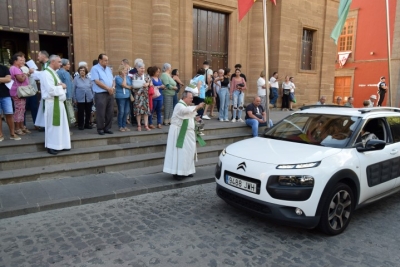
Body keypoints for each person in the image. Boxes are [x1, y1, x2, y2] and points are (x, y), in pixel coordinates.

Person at [163, 91, 205, 179]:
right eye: (190, 98)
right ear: (184, 98)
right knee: (180, 153)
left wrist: (194, 119)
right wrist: (198, 106)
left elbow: (187, 115)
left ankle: (187, 171)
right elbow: (184, 111)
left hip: (188, 133)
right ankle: (178, 173)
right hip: (179, 132)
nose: (192, 99)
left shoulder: (186, 105)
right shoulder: (179, 105)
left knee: (189, 152)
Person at [40, 55, 71, 155]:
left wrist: (62, 86)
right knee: (53, 126)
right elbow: (51, 90)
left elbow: (59, 85)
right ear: (52, 62)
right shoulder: (46, 73)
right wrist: (62, 86)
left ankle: (62, 144)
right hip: (52, 103)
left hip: (59, 103)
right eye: (59, 62)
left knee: (61, 125)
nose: (61, 64)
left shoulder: (54, 73)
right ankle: (51, 146)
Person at [91, 53, 115, 135]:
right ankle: (100, 128)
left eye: (107, 60)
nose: (107, 62)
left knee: (110, 111)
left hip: (110, 93)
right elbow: (97, 81)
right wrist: (108, 88)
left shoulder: (108, 69)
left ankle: (107, 128)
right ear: (100, 60)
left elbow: (112, 79)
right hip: (101, 93)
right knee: (101, 112)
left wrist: (112, 87)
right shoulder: (95, 68)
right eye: (105, 60)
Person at [9, 53, 29, 136]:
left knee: (22, 110)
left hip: (21, 92)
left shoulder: (17, 68)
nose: (22, 61)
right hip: (18, 92)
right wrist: (26, 74)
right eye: (20, 60)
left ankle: (21, 126)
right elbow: (20, 79)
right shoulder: (15, 68)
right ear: (15, 61)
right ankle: (17, 128)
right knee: (19, 110)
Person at [0, 63, 21, 141]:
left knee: (9, 114)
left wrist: (3, 79)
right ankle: (0, 135)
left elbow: (8, 79)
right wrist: (3, 79)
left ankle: (12, 134)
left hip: (6, 95)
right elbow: (5, 79)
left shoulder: (4, 68)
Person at [32, 50, 50, 131]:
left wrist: (34, 72)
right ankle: (44, 124)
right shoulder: (45, 65)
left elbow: (44, 75)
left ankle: (47, 125)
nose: (38, 57)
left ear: (43, 56)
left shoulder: (49, 65)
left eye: (39, 56)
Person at [132, 62, 152, 131]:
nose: (142, 69)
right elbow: (133, 86)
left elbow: (151, 83)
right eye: (141, 68)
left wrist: (148, 84)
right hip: (138, 96)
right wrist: (141, 85)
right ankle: (139, 125)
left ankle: (146, 125)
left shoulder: (147, 76)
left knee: (146, 111)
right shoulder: (134, 76)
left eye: (143, 68)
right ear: (137, 69)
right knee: (138, 111)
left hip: (145, 96)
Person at [73, 66, 93, 130]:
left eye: (83, 70)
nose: (82, 72)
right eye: (81, 70)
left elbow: (92, 88)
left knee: (88, 112)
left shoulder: (89, 79)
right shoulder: (76, 79)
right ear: (79, 72)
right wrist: (74, 99)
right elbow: (73, 89)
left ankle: (87, 124)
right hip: (80, 98)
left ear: (86, 71)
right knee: (80, 112)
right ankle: (80, 125)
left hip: (89, 98)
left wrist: (93, 97)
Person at [115, 65, 132, 132]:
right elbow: (123, 85)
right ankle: (120, 126)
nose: (126, 71)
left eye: (127, 70)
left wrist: (126, 86)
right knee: (121, 111)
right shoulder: (117, 78)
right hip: (120, 97)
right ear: (121, 70)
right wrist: (124, 78)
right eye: (125, 70)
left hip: (127, 96)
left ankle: (124, 125)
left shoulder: (128, 77)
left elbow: (130, 86)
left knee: (126, 111)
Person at [21, 66, 37, 132]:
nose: (22, 60)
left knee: (34, 107)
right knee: (23, 109)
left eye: (23, 59)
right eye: (21, 59)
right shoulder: (17, 69)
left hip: (32, 90)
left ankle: (36, 123)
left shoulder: (30, 67)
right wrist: (29, 73)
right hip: (24, 91)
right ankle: (23, 125)